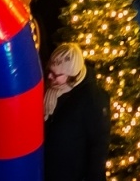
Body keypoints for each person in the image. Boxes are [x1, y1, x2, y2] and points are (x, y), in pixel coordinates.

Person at [42, 43, 109, 181]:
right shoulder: (51, 90)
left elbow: (98, 144)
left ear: (72, 75)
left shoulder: (92, 98)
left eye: (56, 75)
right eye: (50, 71)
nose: (50, 76)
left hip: (71, 173)